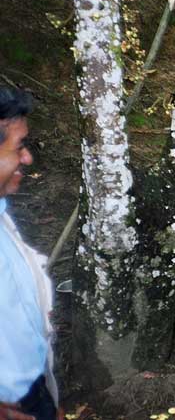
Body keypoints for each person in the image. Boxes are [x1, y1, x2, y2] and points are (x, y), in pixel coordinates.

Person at [0, 87, 62, 420]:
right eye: (19, 147)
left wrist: (47, 394)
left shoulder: (2, 215)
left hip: (34, 390)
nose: (27, 158)